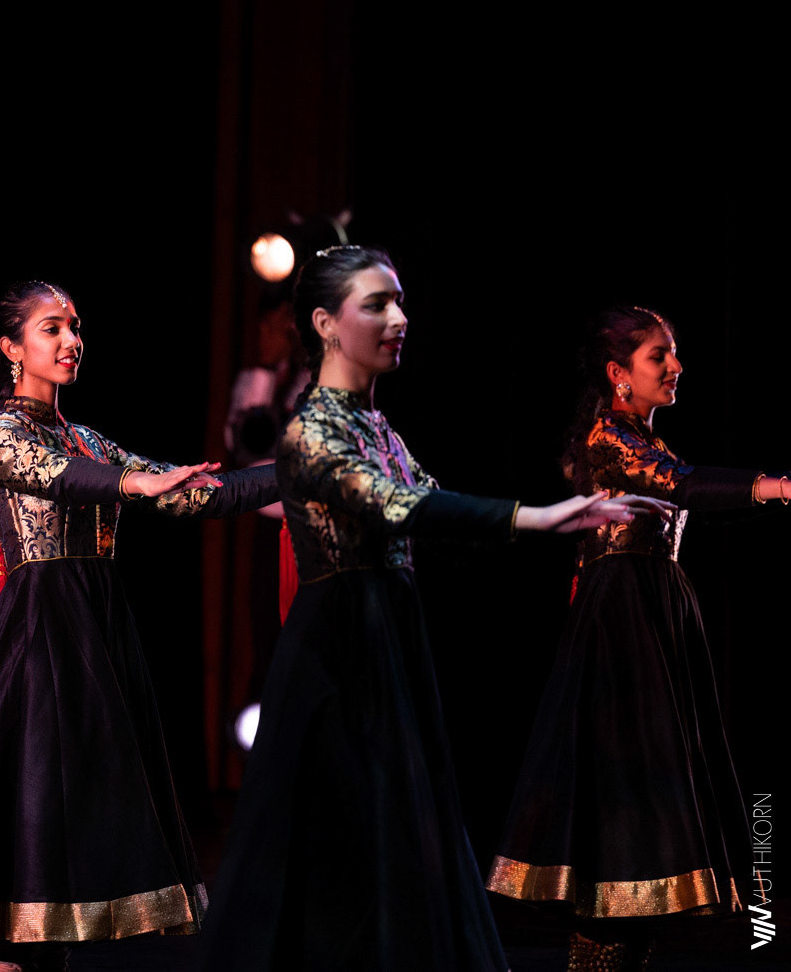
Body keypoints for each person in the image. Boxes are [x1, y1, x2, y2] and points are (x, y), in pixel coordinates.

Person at [197, 247, 667, 972]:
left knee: (405, 840)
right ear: (325, 323)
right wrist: (537, 517)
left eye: (399, 302)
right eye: (376, 304)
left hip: (391, 639)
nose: (399, 319)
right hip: (337, 652)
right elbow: (396, 502)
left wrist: (542, 515)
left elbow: (426, 493)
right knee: (340, 846)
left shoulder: (379, 428)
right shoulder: (309, 430)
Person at [0, 281, 282, 972]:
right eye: (51, 328)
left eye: (75, 326)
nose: (71, 340)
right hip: (38, 633)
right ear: (11, 347)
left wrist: (296, 474)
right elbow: (58, 476)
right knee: (33, 799)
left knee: (76, 818)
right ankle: (3, 958)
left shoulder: (87, 439)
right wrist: (131, 482)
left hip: (97, 631)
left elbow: (195, 493)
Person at [486, 306, 787, 970]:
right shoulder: (609, 438)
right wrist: (773, 487)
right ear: (618, 373)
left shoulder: (643, 439)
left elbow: (685, 485)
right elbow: (683, 485)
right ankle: (597, 951)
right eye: (659, 355)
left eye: (673, 353)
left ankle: (619, 947)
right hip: (622, 622)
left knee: (651, 800)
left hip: (653, 610)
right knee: (625, 786)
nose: (676, 366)